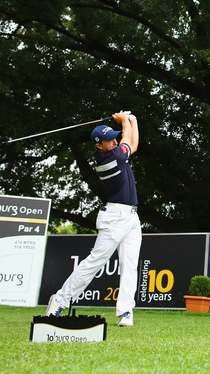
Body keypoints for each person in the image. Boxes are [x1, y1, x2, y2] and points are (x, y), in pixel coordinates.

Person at [46, 111, 142, 327]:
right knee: (94, 263)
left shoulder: (117, 153)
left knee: (130, 264)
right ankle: (59, 300)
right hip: (115, 217)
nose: (115, 141)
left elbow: (133, 145)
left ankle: (125, 312)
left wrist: (133, 120)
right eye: (110, 140)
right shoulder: (110, 159)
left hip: (131, 218)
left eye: (115, 137)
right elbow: (128, 141)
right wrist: (125, 121)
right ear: (99, 146)